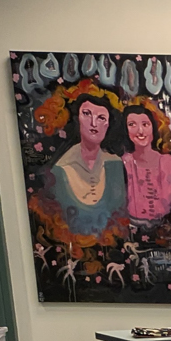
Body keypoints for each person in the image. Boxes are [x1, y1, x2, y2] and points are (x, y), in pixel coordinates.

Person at [47, 94, 128, 238]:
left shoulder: (115, 164)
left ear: (108, 124)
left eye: (101, 118)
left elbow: (121, 218)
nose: (93, 123)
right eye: (86, 114)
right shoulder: (59, 170)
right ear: (77, 119)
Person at [121, 103, 171, 223]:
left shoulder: (167, 163)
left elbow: (167, 202)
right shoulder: (125, 162)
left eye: (145, 124)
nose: (140, 131)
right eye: (132, 124)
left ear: (153, 127)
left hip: (163, 226)